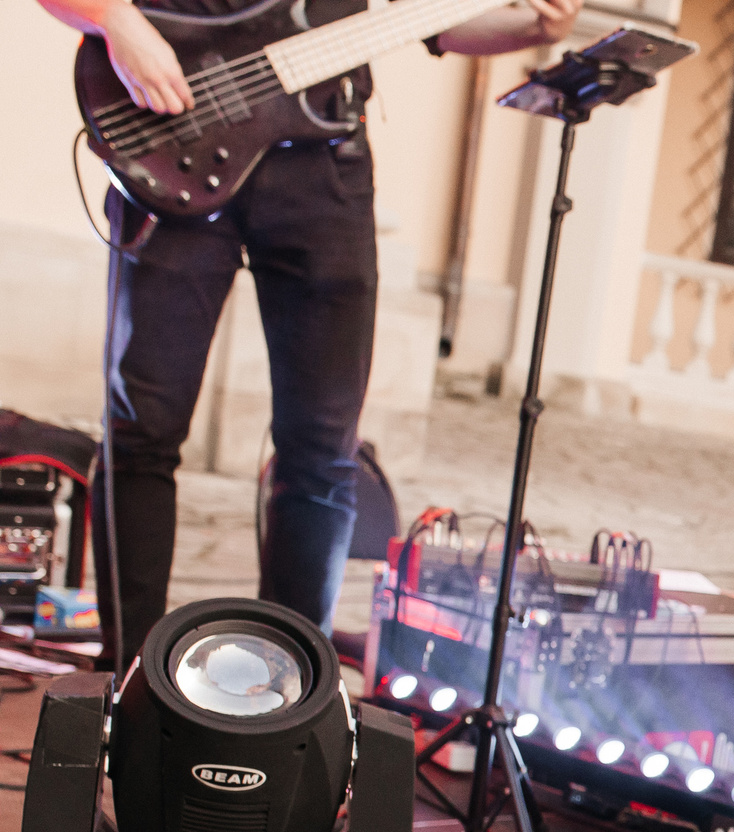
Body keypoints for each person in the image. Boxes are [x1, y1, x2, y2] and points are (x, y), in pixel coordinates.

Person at [41, 0, 582, 658]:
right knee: (141, 432)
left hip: (325, 166)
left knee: (323, 453)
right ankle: (128, 684)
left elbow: (433, 19)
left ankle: (288, 693)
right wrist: (118, 24)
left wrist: (537, 27)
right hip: (170, 130)